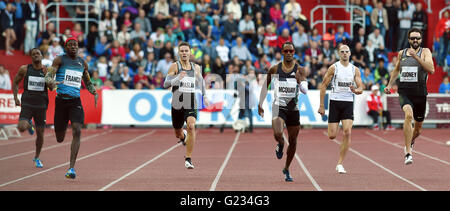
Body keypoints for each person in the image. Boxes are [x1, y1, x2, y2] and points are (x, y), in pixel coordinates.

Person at [45, 37, 98, 179]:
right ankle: (61, 134)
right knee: (60, 138)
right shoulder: (59, 60)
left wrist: (93, 91)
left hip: (75, 102)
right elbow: (49, 76)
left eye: (76, 45)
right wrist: (51, 82)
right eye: (70, 45)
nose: (74, 47)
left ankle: (71, 168)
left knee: (77, 129)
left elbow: (87, 80)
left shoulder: (82, 62)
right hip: (61, 102)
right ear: (65, 47)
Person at [258, 41, 308, 182]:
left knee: (293, 141)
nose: (288, 53)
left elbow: (305, 90)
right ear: (282, 53)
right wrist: (260, 103)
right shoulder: (274, 69)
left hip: (293, 109)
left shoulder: (300, 70)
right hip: (278, 107)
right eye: (285, 51)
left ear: (294, 53)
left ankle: (286, 168)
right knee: (278, 133)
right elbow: (265, 86)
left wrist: (300, 82)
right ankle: (280, 144)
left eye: (290, 51)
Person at [384, 28, 435, 165]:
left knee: (418, 129)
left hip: (420, 93)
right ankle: (408, 152)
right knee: (408, 115)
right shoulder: (402, 53)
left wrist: (416, 57)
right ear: (408, 40)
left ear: (421, 39)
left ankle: (411, 141)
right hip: (404, 91)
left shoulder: (425, 52)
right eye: (412, 38)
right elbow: (396, 70)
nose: (415, 40)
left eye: (417, 38)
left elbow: (431, 69)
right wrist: (389, 84)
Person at [318, 44, 364, 174]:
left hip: (348, 102)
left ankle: (340, 163)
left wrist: (356, 90)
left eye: (346, 51)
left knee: (347, 132)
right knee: (332, 135)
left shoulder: (355, 69)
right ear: (339, 54)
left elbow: (361, 87)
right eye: (342, 52)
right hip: (335, 102)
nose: (344, 53)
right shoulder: (334, 68)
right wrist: (322, 105)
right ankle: (335, 131)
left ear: (350, 54)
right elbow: (323, 86)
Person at [163, 41, 209, 169]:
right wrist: (178, 78)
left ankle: (188, 158)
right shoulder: (174, 66)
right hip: (177, 102)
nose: (184, 53)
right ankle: (182, 137)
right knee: (178, 132)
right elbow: (165, 84)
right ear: (178, 53)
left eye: (186, 51)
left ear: (190, 52)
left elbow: (201, 82)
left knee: (191, 126)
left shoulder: (196, 68)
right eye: (182, 51)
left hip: (191, 100)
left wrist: (204, 95)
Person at [12, 48, 48, 168]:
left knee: (40, 134)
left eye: (38, 53)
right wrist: (15, 97)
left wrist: (52, 81)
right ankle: (29, 124)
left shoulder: (47, 70)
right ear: (31, 57)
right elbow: (16, 82)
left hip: (41, 104)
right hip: (27, 102)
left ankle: (37, 157)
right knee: (21, 127)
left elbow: (52, 87)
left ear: (42, 56)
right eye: (33, 54)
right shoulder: (25, 69)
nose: (36, 55)